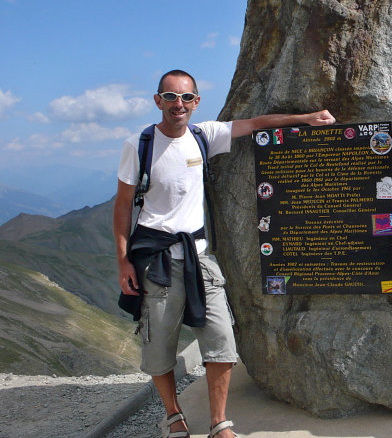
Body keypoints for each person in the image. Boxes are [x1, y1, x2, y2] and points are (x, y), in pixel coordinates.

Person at [113, 69, 335, 438]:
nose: (178, 104)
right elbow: (123, 206)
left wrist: (306, 119)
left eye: (185, 97)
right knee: (159, 348)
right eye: (170, 97)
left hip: (200, 257)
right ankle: (174, 417)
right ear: (157, 101)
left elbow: (256, 123)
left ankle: (219, 422)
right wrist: (123, 260)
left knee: (221, 343)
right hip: (156, 261)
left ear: (196, 101)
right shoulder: (139, 144)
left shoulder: (204, 136)